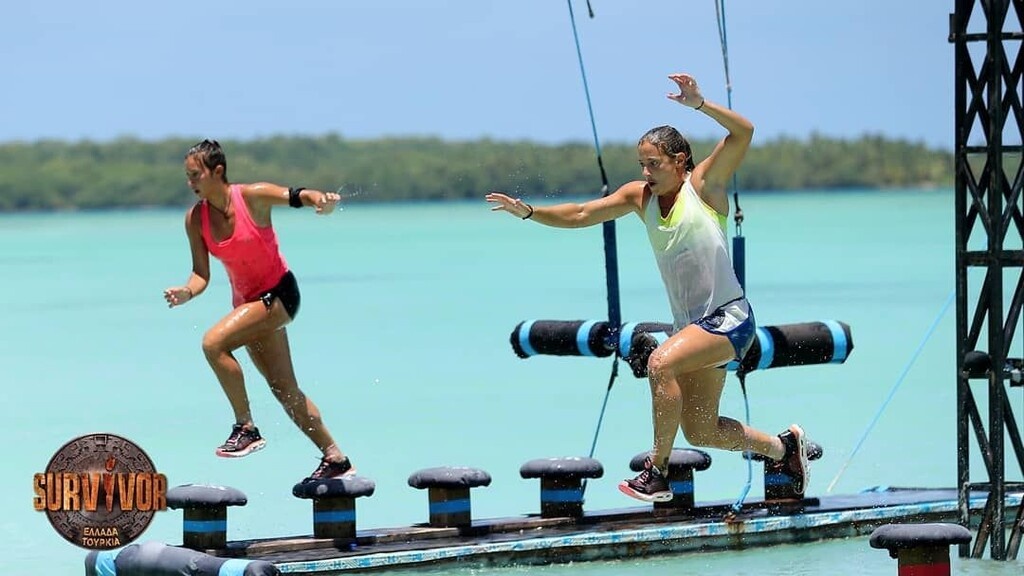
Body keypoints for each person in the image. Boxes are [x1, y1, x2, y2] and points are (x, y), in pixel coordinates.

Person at [486, 73, 809, 503]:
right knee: (702, 429)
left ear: (680, 161)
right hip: (694, 327)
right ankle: (783, 448)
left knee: (659, 364)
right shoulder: (640, 199)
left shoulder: (705, 187)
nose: (646, 172)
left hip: (730, 320)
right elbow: (582, 213)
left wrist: (700, 105)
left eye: (654, 163)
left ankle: (656, 472)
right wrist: (530, 212)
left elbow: (744, 131)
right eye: (642, 164)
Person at [163, 139, 355, 482]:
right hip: (251, 307)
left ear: (216, 171)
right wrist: (186, 292)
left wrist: (321, 201)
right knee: (284, 389)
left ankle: (245, 428)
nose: (190, 183)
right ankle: (336, 458)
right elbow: (201, 274)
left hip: (280, 295)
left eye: (195, 175)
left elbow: (298, 195)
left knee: (213, 344)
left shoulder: (253, 196)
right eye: (187, 177)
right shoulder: (196, 219)